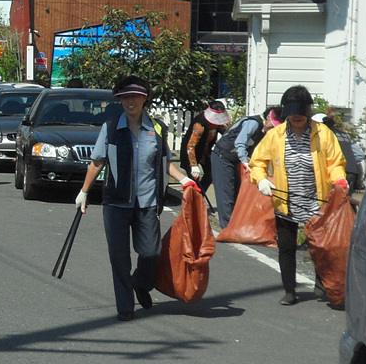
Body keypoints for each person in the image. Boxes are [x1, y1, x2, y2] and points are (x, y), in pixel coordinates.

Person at [75, 76, 198, 322]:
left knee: (151, 252)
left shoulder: (157, 128)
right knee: (119, 258)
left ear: (144, 98)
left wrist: (183, 180)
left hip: (147, 203)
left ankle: (140, 283)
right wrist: (84, 191)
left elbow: (164, 163)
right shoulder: (110, 127)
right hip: (116, 203)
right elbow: (98, 161)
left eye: (135, 96)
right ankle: (125, 307)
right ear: (119, 100)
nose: (130, 101)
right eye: (125, 97)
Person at [249, 86, 348, 306]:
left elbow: (335, 162)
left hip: (317, 198)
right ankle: (289, 290)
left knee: (319, 245)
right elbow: (257, 163)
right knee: (286, 246)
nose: (297, 119)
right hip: (286, 200)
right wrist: (262, 179)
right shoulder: (275, 135)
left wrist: (340, 180)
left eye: (301, 115)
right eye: (293, 115)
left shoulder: (323, 133)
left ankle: (321, 282)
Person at [209, 105, 282, 220]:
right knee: (226, 195)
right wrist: (244, 161)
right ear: (268, 117)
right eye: (274, 124)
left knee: (237, 194)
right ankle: (227, 231)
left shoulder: (265, 131)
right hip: (222, 156)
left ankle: (235, 226)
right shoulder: (253, 123)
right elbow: (240, 143)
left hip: (234, 160)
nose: (274, 127)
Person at [181, 100, 231, 197]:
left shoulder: (218, 125)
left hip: (205, 152)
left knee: (210, 174)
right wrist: (193, 165)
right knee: (194, 179)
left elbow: (226, 134)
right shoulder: (200, 124)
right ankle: (191, 203)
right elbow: (191, 146)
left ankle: (199, 196)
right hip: (191, 153)